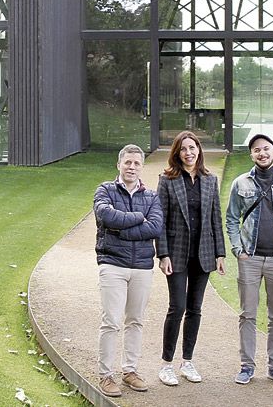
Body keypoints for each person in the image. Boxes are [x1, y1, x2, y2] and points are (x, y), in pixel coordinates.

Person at [225, 133, 273, 387]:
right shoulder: (241, 183)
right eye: (257, 150)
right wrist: (239, 250)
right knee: (247, 314)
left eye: (266, 149)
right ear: (251, 154)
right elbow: (231, 218)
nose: (262, 153)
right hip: (249, 258)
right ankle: (247, 366)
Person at [155, 130, 226, 387]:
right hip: (176, 253)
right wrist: (162, 254)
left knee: (195, 309)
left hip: (203, 253)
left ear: (199, 150)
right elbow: (159, 220)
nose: (189, 153)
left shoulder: (210, 180)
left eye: (192, 147)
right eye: (184, 148)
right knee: (177, 308)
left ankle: (187, 361)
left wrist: (220, 253)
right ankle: (167, 364)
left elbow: (215, 219)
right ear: (177, 152)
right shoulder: (167, 180)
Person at [94, 144, 164, 398]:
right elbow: (106, 217)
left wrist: (121, 227)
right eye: (127, 163)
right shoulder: (105, 190)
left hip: (142, 267)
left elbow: (155, 227)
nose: (131, 167)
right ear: (119, 165)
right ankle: (106, 375)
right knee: (111, 321)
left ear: (141, 167)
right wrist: (137, 218)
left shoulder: (152, 197)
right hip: (112, 264)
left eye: (136, 163)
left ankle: (130, 371)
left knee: (135, 321)